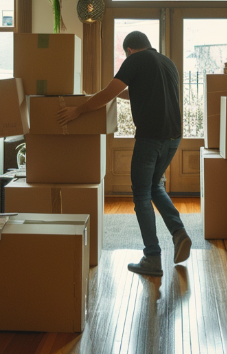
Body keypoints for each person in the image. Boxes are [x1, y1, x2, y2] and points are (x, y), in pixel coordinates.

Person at [57, 31, 190, 277]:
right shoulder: (166, 62)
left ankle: (152, 257)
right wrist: (114, 92)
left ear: (129, 50)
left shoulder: (134, 61)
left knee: (141, 193)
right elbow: (137, 92)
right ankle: (179, 232)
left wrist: (79, 110)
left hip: (150, 137)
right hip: (173, 138)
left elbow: (109, 93)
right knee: (154, 186)